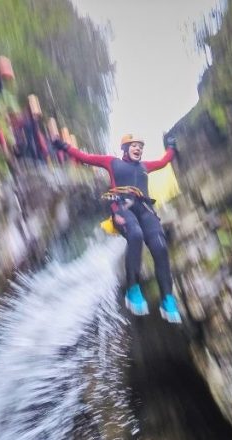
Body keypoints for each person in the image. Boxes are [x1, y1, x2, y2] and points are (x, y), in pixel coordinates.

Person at [53, 132, 181, 323]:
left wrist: (171, 147)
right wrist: (64, 146)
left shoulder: (145, 166)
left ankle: (167, 299)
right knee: (135, 235)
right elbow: (85, 157)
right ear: (125, 148)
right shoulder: (112, 162)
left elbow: (163, 162)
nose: (138, 149)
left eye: (140, 146)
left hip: (146, 211)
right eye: (134, 145)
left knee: (160, 246)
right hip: (123, 209)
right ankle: (133, 290)